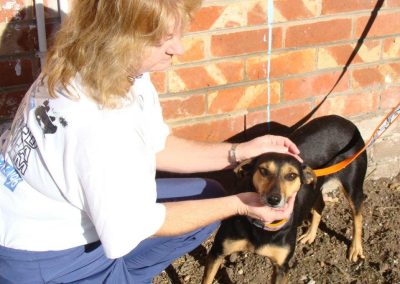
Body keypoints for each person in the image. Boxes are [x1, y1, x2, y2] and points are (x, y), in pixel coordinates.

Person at [0, 0, 301, 283]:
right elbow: (125, 233)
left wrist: (240, 151)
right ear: (122, 38)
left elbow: (157, 144)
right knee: (212, 205)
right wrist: (239, 205)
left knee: (208, 194)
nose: (179, 48)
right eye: (163, 39)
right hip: (44, 257)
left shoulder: (100, 66)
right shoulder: (102, 129)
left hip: (40, 214)